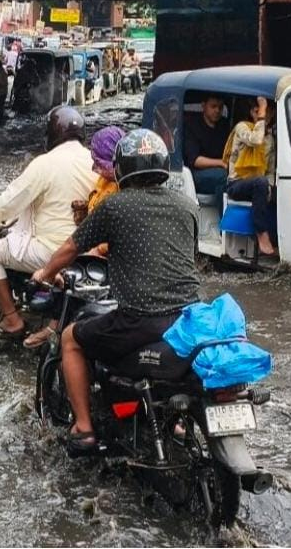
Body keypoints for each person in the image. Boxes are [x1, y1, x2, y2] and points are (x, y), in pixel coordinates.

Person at [32, 129, 200, 455]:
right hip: (188, 318)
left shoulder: (115, 206)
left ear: (121, 168)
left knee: (70, 338)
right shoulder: (186, 205)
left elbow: (70, 248)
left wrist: (45, 272)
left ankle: (83, 427)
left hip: (141, 320)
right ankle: (178, 423)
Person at [0, 106, 97, 340]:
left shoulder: (45, 163)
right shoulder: (94, 161)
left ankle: (13, 320)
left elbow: (8, 205)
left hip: (51, 251)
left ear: (52, 134)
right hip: (88, 254)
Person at [23, 125, 125, 350]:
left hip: (109, 255)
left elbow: (117, 232)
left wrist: (97, 249)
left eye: (99, 162)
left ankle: (54, 328)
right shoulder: (104, 183)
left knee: (66, 273)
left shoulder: (121, 192)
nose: (95, 168)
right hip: (96, 246)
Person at [223, 97, 276, 256]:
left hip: (260, 184)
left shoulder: (270, 139)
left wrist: (271, 188)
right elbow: (255, 140)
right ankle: (261, 233)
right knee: (260, 183)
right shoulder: (242, 128)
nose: (266, 116)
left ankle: (278, 237)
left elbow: (270, 171)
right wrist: (261, 114)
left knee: (272, 187)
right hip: (237, 183)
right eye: (261, 111)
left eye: (268, 112)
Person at [183, 94, 233, 194]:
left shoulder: (224, 125)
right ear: (203, 105)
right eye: (213, 106)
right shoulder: (192, 125)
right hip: (196, 173)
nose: (217, 110)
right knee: (223, 175)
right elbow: (195, 160)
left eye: (220, 107)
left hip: (220, 169)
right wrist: (221, 163)